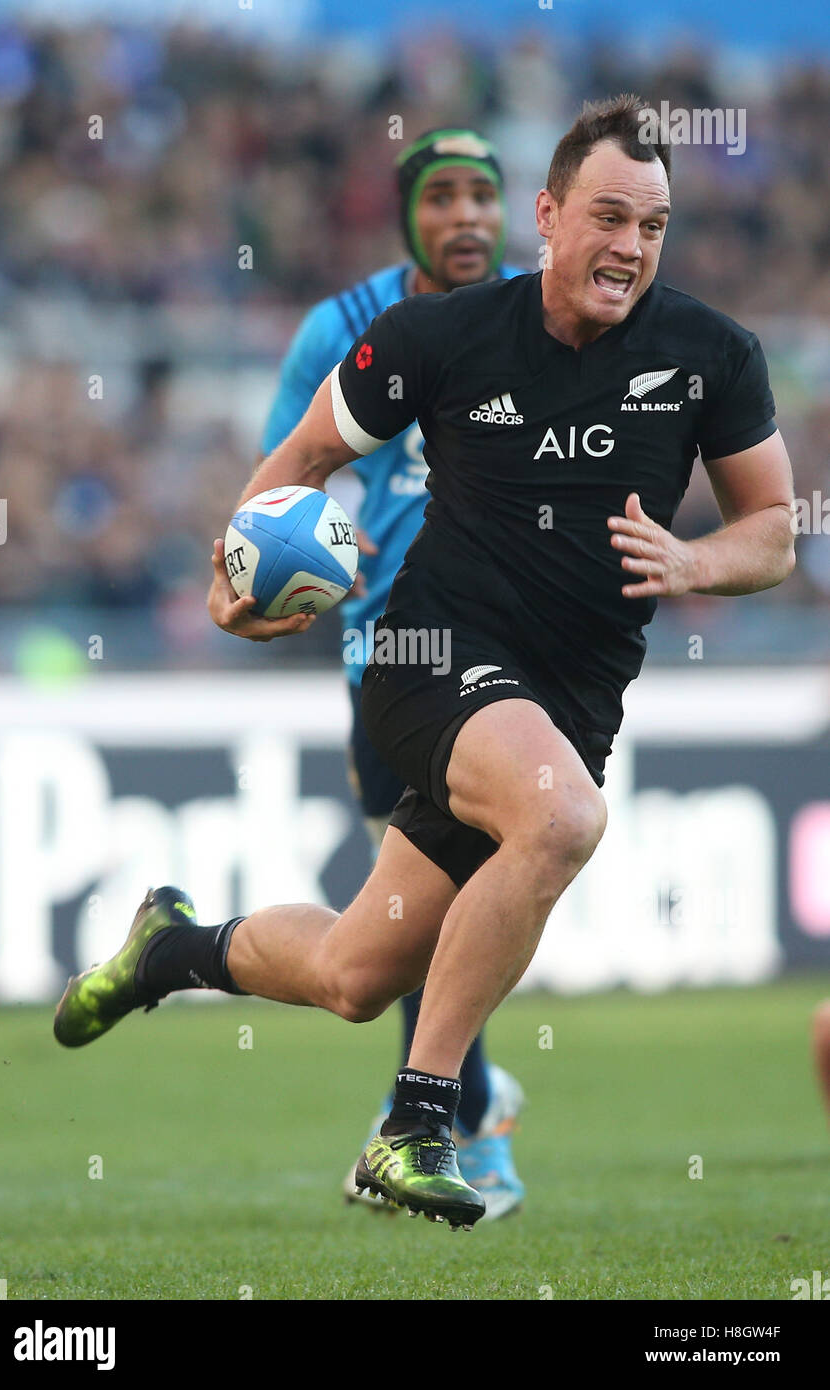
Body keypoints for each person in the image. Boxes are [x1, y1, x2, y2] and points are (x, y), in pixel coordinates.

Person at [54, 95, 796, 1233]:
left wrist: (693, 560)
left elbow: (774, 531)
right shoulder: (434, 340)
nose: (630, 248)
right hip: (425, 661)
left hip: (565, 706)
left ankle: (172, 947)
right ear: (544, 217)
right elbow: (299, 455)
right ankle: (415, 1125)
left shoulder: (708, 355)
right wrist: (228, 572)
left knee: (358, 973)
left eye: (651, 226)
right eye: (606, 217)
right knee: (561, 819)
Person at [257, 128, 526, 1220]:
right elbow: (285, 479)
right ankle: (466, 1103)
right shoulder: (343, 329)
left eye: (482, 196)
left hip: (509, 647)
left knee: (460, 885)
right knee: (418, 908)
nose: (465, 217)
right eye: (442, 197)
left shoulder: (535, 313)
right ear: (406, 212)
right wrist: (321, 544)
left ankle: (448, 1123)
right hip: (387, 654)